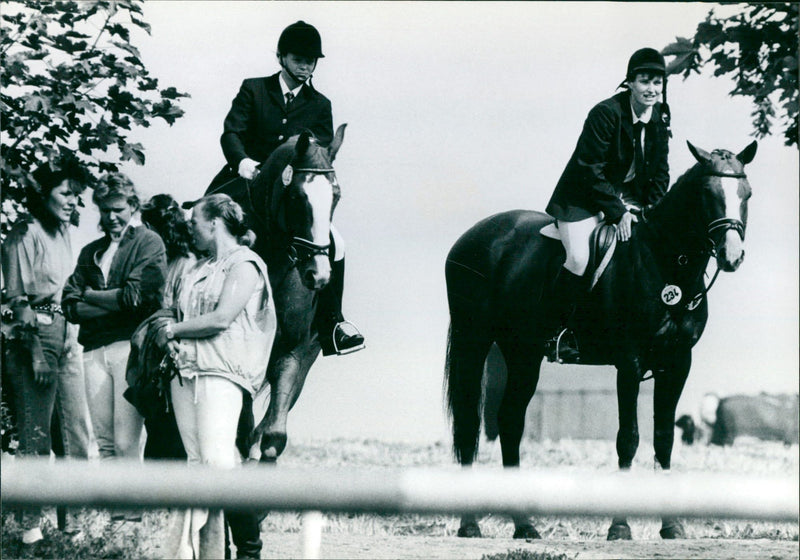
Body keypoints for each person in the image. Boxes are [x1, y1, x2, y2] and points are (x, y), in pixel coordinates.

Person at [208, 20, 364, 357]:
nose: (305, 65)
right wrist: (242, 161)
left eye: (311, 60)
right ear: (281, 57)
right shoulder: (254, 89)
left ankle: (333, 322)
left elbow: (318, 152)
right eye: (298, 58)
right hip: (244, 178)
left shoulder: (320, 104)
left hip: (291, 191)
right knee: (205, 220)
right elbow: (232, 132)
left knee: (336, 241)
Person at [154, 194, 276, 559]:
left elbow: (222, 318)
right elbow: (173, 310)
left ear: (215, 223)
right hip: (187, 371)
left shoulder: (245, 264)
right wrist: (170, 332)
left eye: (194, 223)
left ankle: (249, 550)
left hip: (222, 373)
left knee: (220, 462)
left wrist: (174, 331)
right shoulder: (199, 268)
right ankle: (206, 552)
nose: (189, 229)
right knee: (197, 465)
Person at [544, 47, 671, 360]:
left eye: (658, 82)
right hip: (582, 197)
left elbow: (661, 173)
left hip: (626, 198)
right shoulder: (605, 113)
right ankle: (556, 332)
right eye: (645, 81)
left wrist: (649, 210)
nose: (652, 89)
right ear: (630, 82)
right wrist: (618, 213)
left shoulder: (660, 116)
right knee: (578, 257)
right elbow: (589, 169)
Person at [2, 156, 92, 547]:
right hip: (33, 334)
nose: (73, 201)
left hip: (69, 331)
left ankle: (72, 525)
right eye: (65, 193)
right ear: (44, 194)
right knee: (35, 433)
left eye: (77, 195)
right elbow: (17, 298)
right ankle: (29, 528)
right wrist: (35, 350)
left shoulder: (64, 232)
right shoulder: (24, 233)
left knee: (75, 432)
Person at [62, 174, 166, 491]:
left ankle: (132, 517)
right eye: (105, 210)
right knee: (104, 442)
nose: (111, 217)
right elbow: (69, 304)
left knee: (125, 440)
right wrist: (112, 301)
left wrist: (91, 296)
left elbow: (137, 297)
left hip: (129, 349)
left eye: (118, 208)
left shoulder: (149, 242)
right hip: (93, 349)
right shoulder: (92, 250)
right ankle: (115, 519)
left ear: (133, 206)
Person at [138, 194, 198, 460]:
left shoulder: (185, 264)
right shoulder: (169, 263)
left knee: (170, 435)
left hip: (174, 356)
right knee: (161, 432)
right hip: (159, 357)